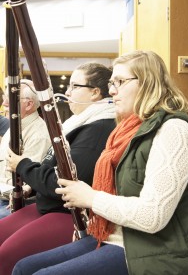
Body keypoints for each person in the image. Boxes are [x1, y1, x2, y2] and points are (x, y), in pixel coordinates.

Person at [12, 50, 188, 275]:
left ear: (149, 83)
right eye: (112, 82)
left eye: (120, 81)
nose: (111, 90)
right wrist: (94, 221)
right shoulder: (125, 131)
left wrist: (90, 198)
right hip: (119, 235)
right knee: (24, 267)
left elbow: (152, 216)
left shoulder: (174, 131)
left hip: (159, 249)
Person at [0, 62, 116, 275]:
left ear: (95, 93)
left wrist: (23, 165)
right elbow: (56, 167)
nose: (67, 92)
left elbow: (65, 181)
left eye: (74, 86)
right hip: (48, 204)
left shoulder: (99, 129)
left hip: (67, 213)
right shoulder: (82, 123)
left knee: (6, 256)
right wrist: (32, 188)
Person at [0, 79, 51, 218]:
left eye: (10, 99)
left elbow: (27, 182)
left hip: (15, 203)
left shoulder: (39, 135)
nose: (4, 103)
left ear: (29, 104)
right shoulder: (16, 126)